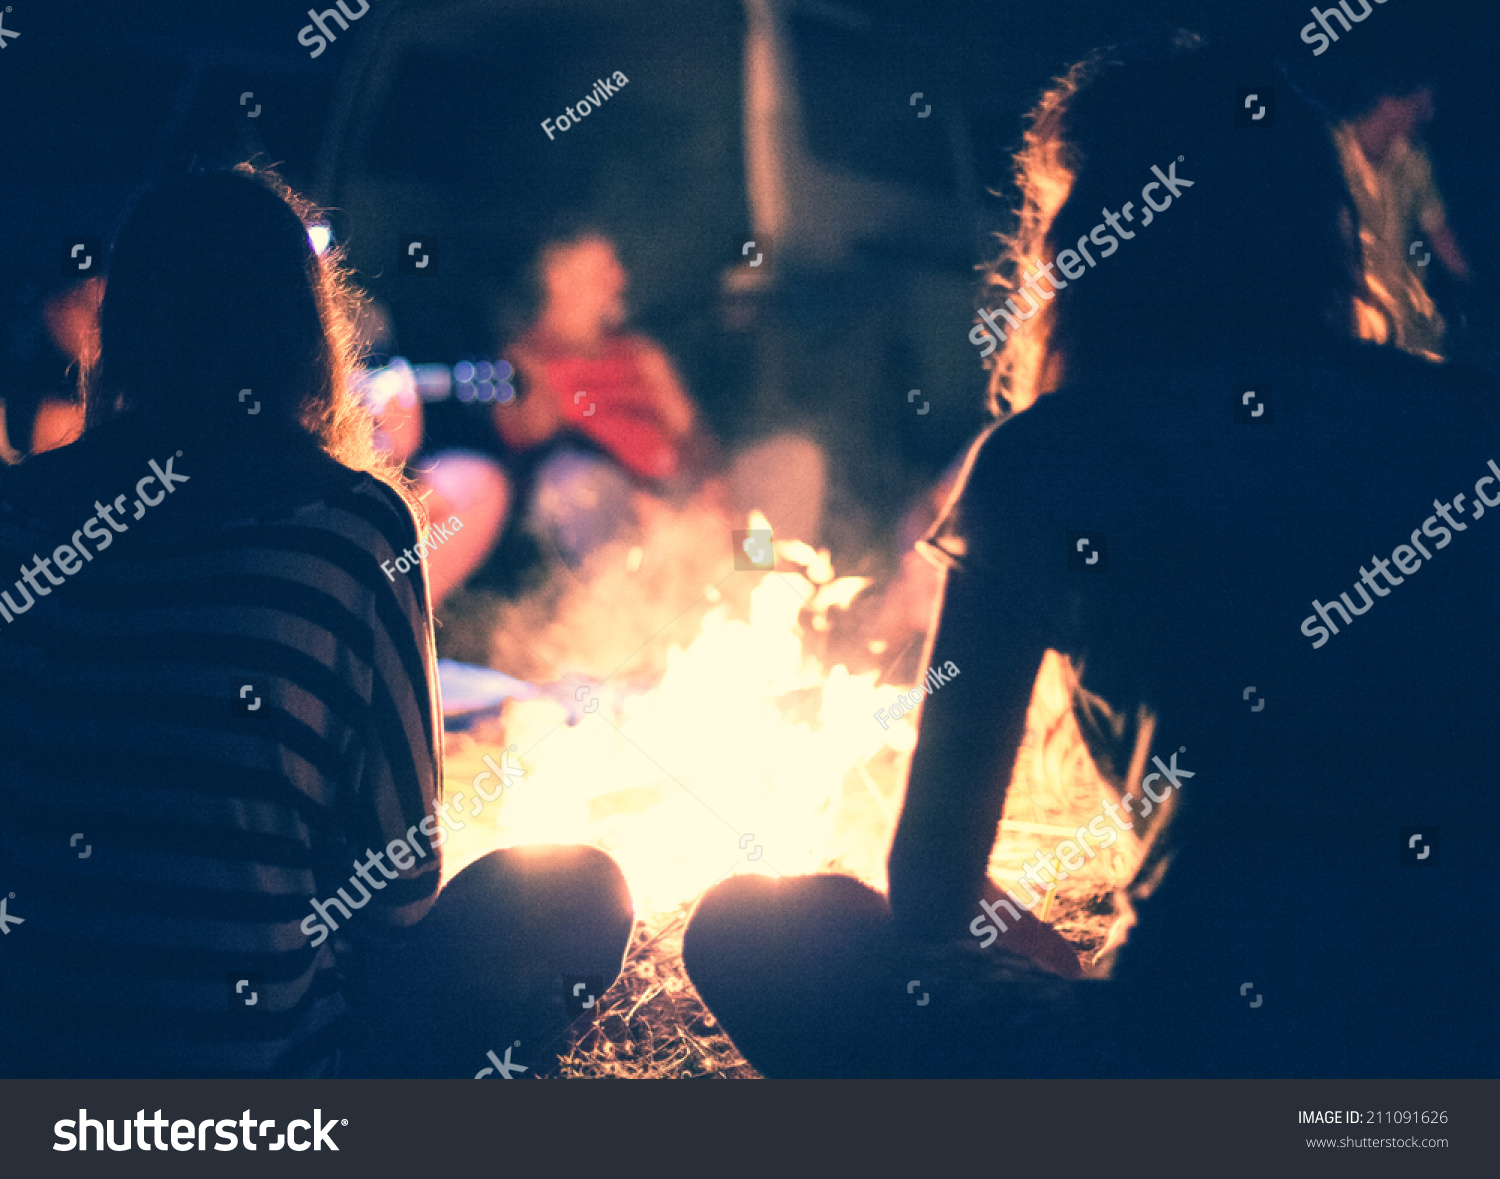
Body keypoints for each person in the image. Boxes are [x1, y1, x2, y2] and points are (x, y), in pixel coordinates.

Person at [683, 35, 1500, 1078]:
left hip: (1204, 1047)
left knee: (755, 927)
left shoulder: (1050, 460)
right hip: (1457, 1050)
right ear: (1324, 226)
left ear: (1091, 240)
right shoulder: (1464, 422)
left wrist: (1072, 975)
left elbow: (934, 888)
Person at [0, 167, 632, 1078]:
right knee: (581, 890)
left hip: (36, 1058)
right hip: (261, 1077)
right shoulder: (354, 527)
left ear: (123, 327)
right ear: (305, 331)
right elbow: (401, 895)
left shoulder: (18, 512)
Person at [1333, 80, 1473, 358]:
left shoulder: (1414, 158)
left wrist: (1476, 292)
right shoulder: (1332, 152)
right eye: (1421, 103)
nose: (1429, 114)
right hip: (1355, 329)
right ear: (1388, 100)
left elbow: (1439, 233)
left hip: (1412, 327)